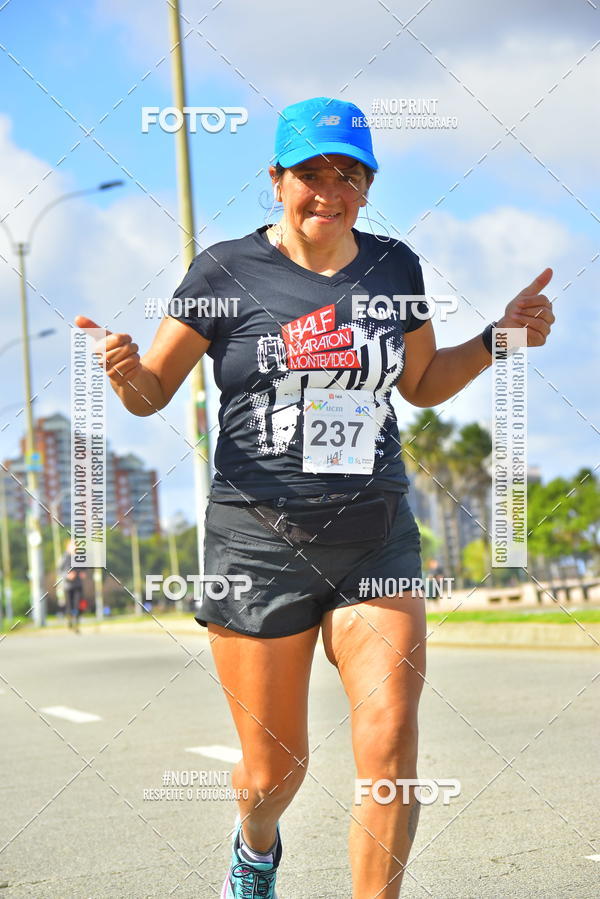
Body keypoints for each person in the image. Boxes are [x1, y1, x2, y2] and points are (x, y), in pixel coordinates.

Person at [76, 96, 555, 898]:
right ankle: (256, 846)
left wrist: (501, 336)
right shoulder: (223, 273)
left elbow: (425, 382)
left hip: (376, 534)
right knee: (275, 770)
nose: (329, 190)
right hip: (258, 544)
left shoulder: (394, 266)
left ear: (367, 186)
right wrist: (127, 372)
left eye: (349, 174)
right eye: (310, 173)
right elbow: (154, 388)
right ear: (275, 179)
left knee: (392, 742)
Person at [60, 539, 86, 634]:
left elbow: (84, 569)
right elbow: (60, 570)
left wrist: (83, 573)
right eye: (73, 545)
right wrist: (67, 575)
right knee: (69, 605)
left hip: (78, 585)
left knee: (78, 605)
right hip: (68, 586)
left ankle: (76, 624)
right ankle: (69, 619)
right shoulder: (64, 557)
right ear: (68, 547)